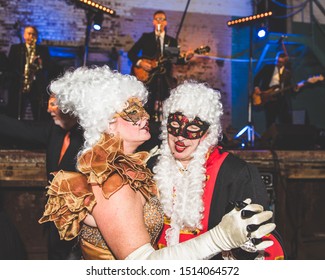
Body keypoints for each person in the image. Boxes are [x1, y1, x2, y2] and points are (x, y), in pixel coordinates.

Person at [38, 65, 275, 260]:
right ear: (107, 122)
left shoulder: (137, 168)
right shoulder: (112, 180)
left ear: (207, 133)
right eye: (132, 113)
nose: (144, 117)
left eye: (142, 109)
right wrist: (219, 238)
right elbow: (142, 265)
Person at [153, 81, 286, 260]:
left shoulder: (236, 173)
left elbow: (265, 239)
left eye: (192, 128)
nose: (180, 136)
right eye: (174, 125)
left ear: (208, 133)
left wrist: (246, 246)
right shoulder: (152, 166)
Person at [0, 93, 84, 260]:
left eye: (54, 104)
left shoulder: (89, 138)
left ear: (70, 106)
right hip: (55, 223)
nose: (48, 109)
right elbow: (16, 128)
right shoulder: (55, 131)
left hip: (80, 226)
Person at [128, 10, 193, 148]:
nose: (159, 21)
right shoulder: (146, 38)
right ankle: (145, 139)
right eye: (157, 19)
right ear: (153, 22)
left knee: (167, 106)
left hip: (164, 78)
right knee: (147, 106)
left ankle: (164, 139)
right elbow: (131, 53)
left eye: (162, 19)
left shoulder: (171, 41)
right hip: (148, 79)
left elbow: (176, 60)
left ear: (165, 22)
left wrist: (186, 58)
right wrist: (141, 63)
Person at [7, 25, 51, 121]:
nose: (31, 36)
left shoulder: (43, 50)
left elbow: (49, 66)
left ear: (37, 36)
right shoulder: (16, 48)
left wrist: (41, 63)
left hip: (36, 85)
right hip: (20, 84)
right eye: (29, 33)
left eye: (33, 34)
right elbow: (10, 65)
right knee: (16, 112)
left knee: (38, 113)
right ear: (24, 35)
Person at [253, 52, 294, 130]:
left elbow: (288, 86)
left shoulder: (287, 73)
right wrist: (257, 88)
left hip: (281, 97)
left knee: (286, 119)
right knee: (270, 120)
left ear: (285, 62)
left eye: (280, 62)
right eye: (277, 61)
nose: (278, 63)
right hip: (268, 96)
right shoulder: (268, 67)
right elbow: (257, 78)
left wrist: (296, 88)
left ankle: (284, 138)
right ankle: (269, 139)